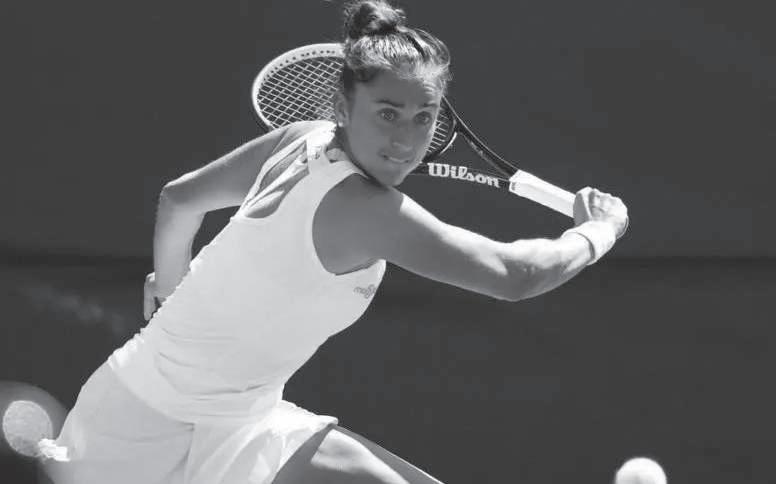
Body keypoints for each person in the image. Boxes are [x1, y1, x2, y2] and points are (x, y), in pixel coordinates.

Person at [38, 1, 629, 483]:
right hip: (135, 430)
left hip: (239, 417)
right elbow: (513, 276)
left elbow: (178, 203)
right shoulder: (364, 209)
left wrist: (170, 292)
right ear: (344, 106)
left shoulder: (298, 140)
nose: (406, 140)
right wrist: (596, 232)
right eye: (387, 113)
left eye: (423, 117)